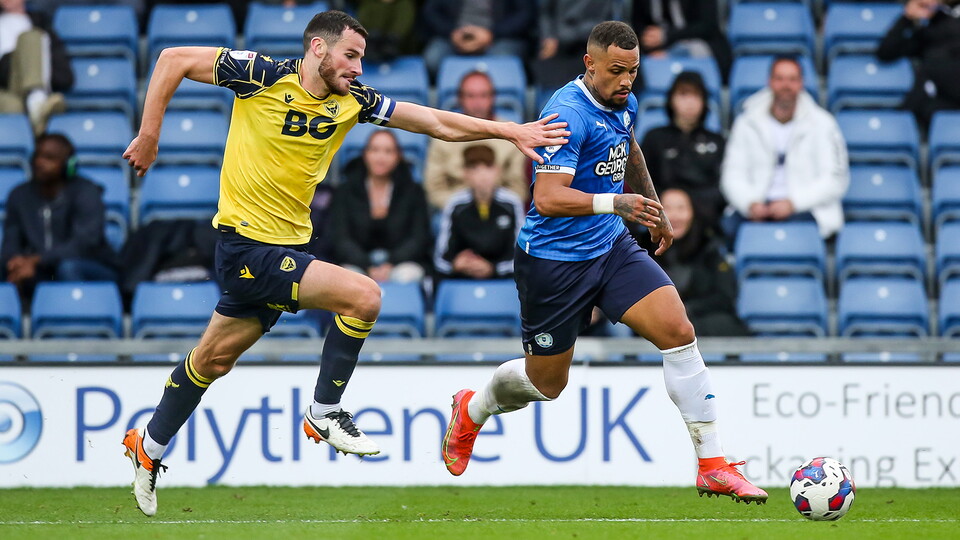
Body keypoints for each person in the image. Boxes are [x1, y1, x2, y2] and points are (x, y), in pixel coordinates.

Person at [119, 10, 569, 517]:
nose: (358, 67)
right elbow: (172, 58)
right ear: (317, 48)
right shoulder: (262, 74)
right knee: (365, 296)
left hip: (284, 251)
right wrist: (150, 133)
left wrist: (508, 130)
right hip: (246, 247)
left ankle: (149, 446)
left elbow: (437, 122)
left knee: (212, 361)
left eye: (361, 58)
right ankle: (324, 411)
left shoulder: (353, 101)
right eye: (350, 55)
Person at [440, 21, 768, 504]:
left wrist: (652, 209)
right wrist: (618, 204)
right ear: (589, 64)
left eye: (633, 71)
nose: (627, 81)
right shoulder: (565, 114)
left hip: (610, 247)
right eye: (617, 70)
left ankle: (713, 464)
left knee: (678, 332)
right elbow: (549, 198)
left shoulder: (623, 100)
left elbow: (627, 147)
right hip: (553, 261)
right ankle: (473, 409)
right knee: (546, 383)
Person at [721, 56, 849, 241]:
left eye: (792, 79)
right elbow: (732, 174)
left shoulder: (823, 124)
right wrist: (750, 204)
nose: (785, 85)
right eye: (780, 78)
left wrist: (793, 203)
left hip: (806, 209)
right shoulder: (747, 122)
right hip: (756, 207)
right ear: (770, 82)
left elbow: (835, 179)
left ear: (801, 83)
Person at [1, 133, 119, 295]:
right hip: (41, 269)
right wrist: (14, 262)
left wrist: (37, 260)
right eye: (37, 156)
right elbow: (10, 241)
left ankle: (78, 315)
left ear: (68, 165)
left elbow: (84, 244)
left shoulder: (86, 192)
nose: (39, 162)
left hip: (89, 267)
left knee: (68, 267)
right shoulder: (19, 195)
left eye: (49, 158)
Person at [638, 188, 748, 336]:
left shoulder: (710, 248)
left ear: (693, 212)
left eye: (681, 208)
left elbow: (724, 297)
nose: (675, 216)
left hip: (702, 323)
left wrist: (685, 310)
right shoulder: (641, 250)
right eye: (667, 209)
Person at [330, 129, 432, 283]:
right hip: (357, 264)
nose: (380, 157)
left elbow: (419, 237)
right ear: (365, 154)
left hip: (400, 265)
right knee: (347, 277)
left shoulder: (413, 191)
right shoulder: (346, 190)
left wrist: (391, 263)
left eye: (388, 151)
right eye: (375, 150)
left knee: (408, 275)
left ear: (398, 156)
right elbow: (340, 238)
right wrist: (367, 264)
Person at [424, 70, 530, 210]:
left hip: (500, 210)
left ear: (493, 98)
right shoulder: (442, 135)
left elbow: (519, 188)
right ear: (460, 99)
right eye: (470, 96)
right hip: (455, 210)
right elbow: (433, 189)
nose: (477, 103)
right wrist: (465, 207)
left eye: (483, 95)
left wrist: (492, 207)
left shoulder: (510, 134)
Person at [640, 71, 725, 234]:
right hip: (658, 215)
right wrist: (669, 204)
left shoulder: (717, 141)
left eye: (696, 96)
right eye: (683, 95)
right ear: (671, 99)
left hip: (703, 221)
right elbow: (641, 182)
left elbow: (721, 188)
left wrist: (688, 205)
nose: (690, 102)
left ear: (704, 101)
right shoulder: (654, 137)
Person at [434, 144, 525, 279]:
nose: (482, 175)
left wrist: (493, 268)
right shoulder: (455, 205)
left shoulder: (512, 203)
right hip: (462, 280)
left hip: (504, 280)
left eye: (488, 167)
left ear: (497, 170)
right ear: (465, 173)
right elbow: (440, 259)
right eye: (474, 168)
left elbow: (521, 256)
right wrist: (457, 264)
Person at [876, 0, 960, 130]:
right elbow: (885, 52)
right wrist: (907, 18)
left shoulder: (951, 23)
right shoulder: (928, 32)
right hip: (938, 107)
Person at [0, 0, 73, 135]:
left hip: (33, 88)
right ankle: (37, 103)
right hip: (5, 88)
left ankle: (36, 101)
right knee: (12, 107)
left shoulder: (41, 24)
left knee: (31, 37)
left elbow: (65, 76)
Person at [420, 0, 534, 77]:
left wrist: (491, 34)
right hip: (455, 36)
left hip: (499, 38)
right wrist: (452, 33)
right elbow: (431, 11)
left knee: (503, 60)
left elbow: (524, 14)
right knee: (433, 58)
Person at [631, 0, 732, 81]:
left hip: (699, 44)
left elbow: (708, 26)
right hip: (655, 50)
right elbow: (639, 27)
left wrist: (667, 36)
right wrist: (649, 45)